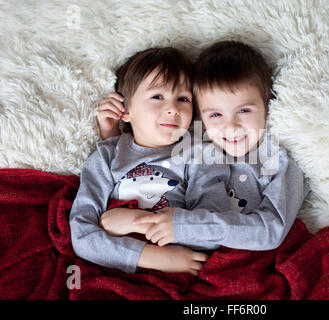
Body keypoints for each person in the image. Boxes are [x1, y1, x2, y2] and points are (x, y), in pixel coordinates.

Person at [99, 40, 309, 252]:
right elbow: (144, 152)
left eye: (244, 111)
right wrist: (112, 133)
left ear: (268, 109)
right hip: (182, 255)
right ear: (200, 117)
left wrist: (184, 226)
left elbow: (270, 231)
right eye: (216, 114)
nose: (231, 126)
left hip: (246, 258)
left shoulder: (277, 163)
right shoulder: (193, 149)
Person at [69, 47, 230, 275]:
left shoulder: (199, 155)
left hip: (178, 267)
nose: (173, 109)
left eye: (183, 99)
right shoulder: (107, 156)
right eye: (157, 97)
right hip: (116, 263)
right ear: (125, 110)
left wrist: (133, 221)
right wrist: (149, 254)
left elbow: (214, 228)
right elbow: (82, 234)